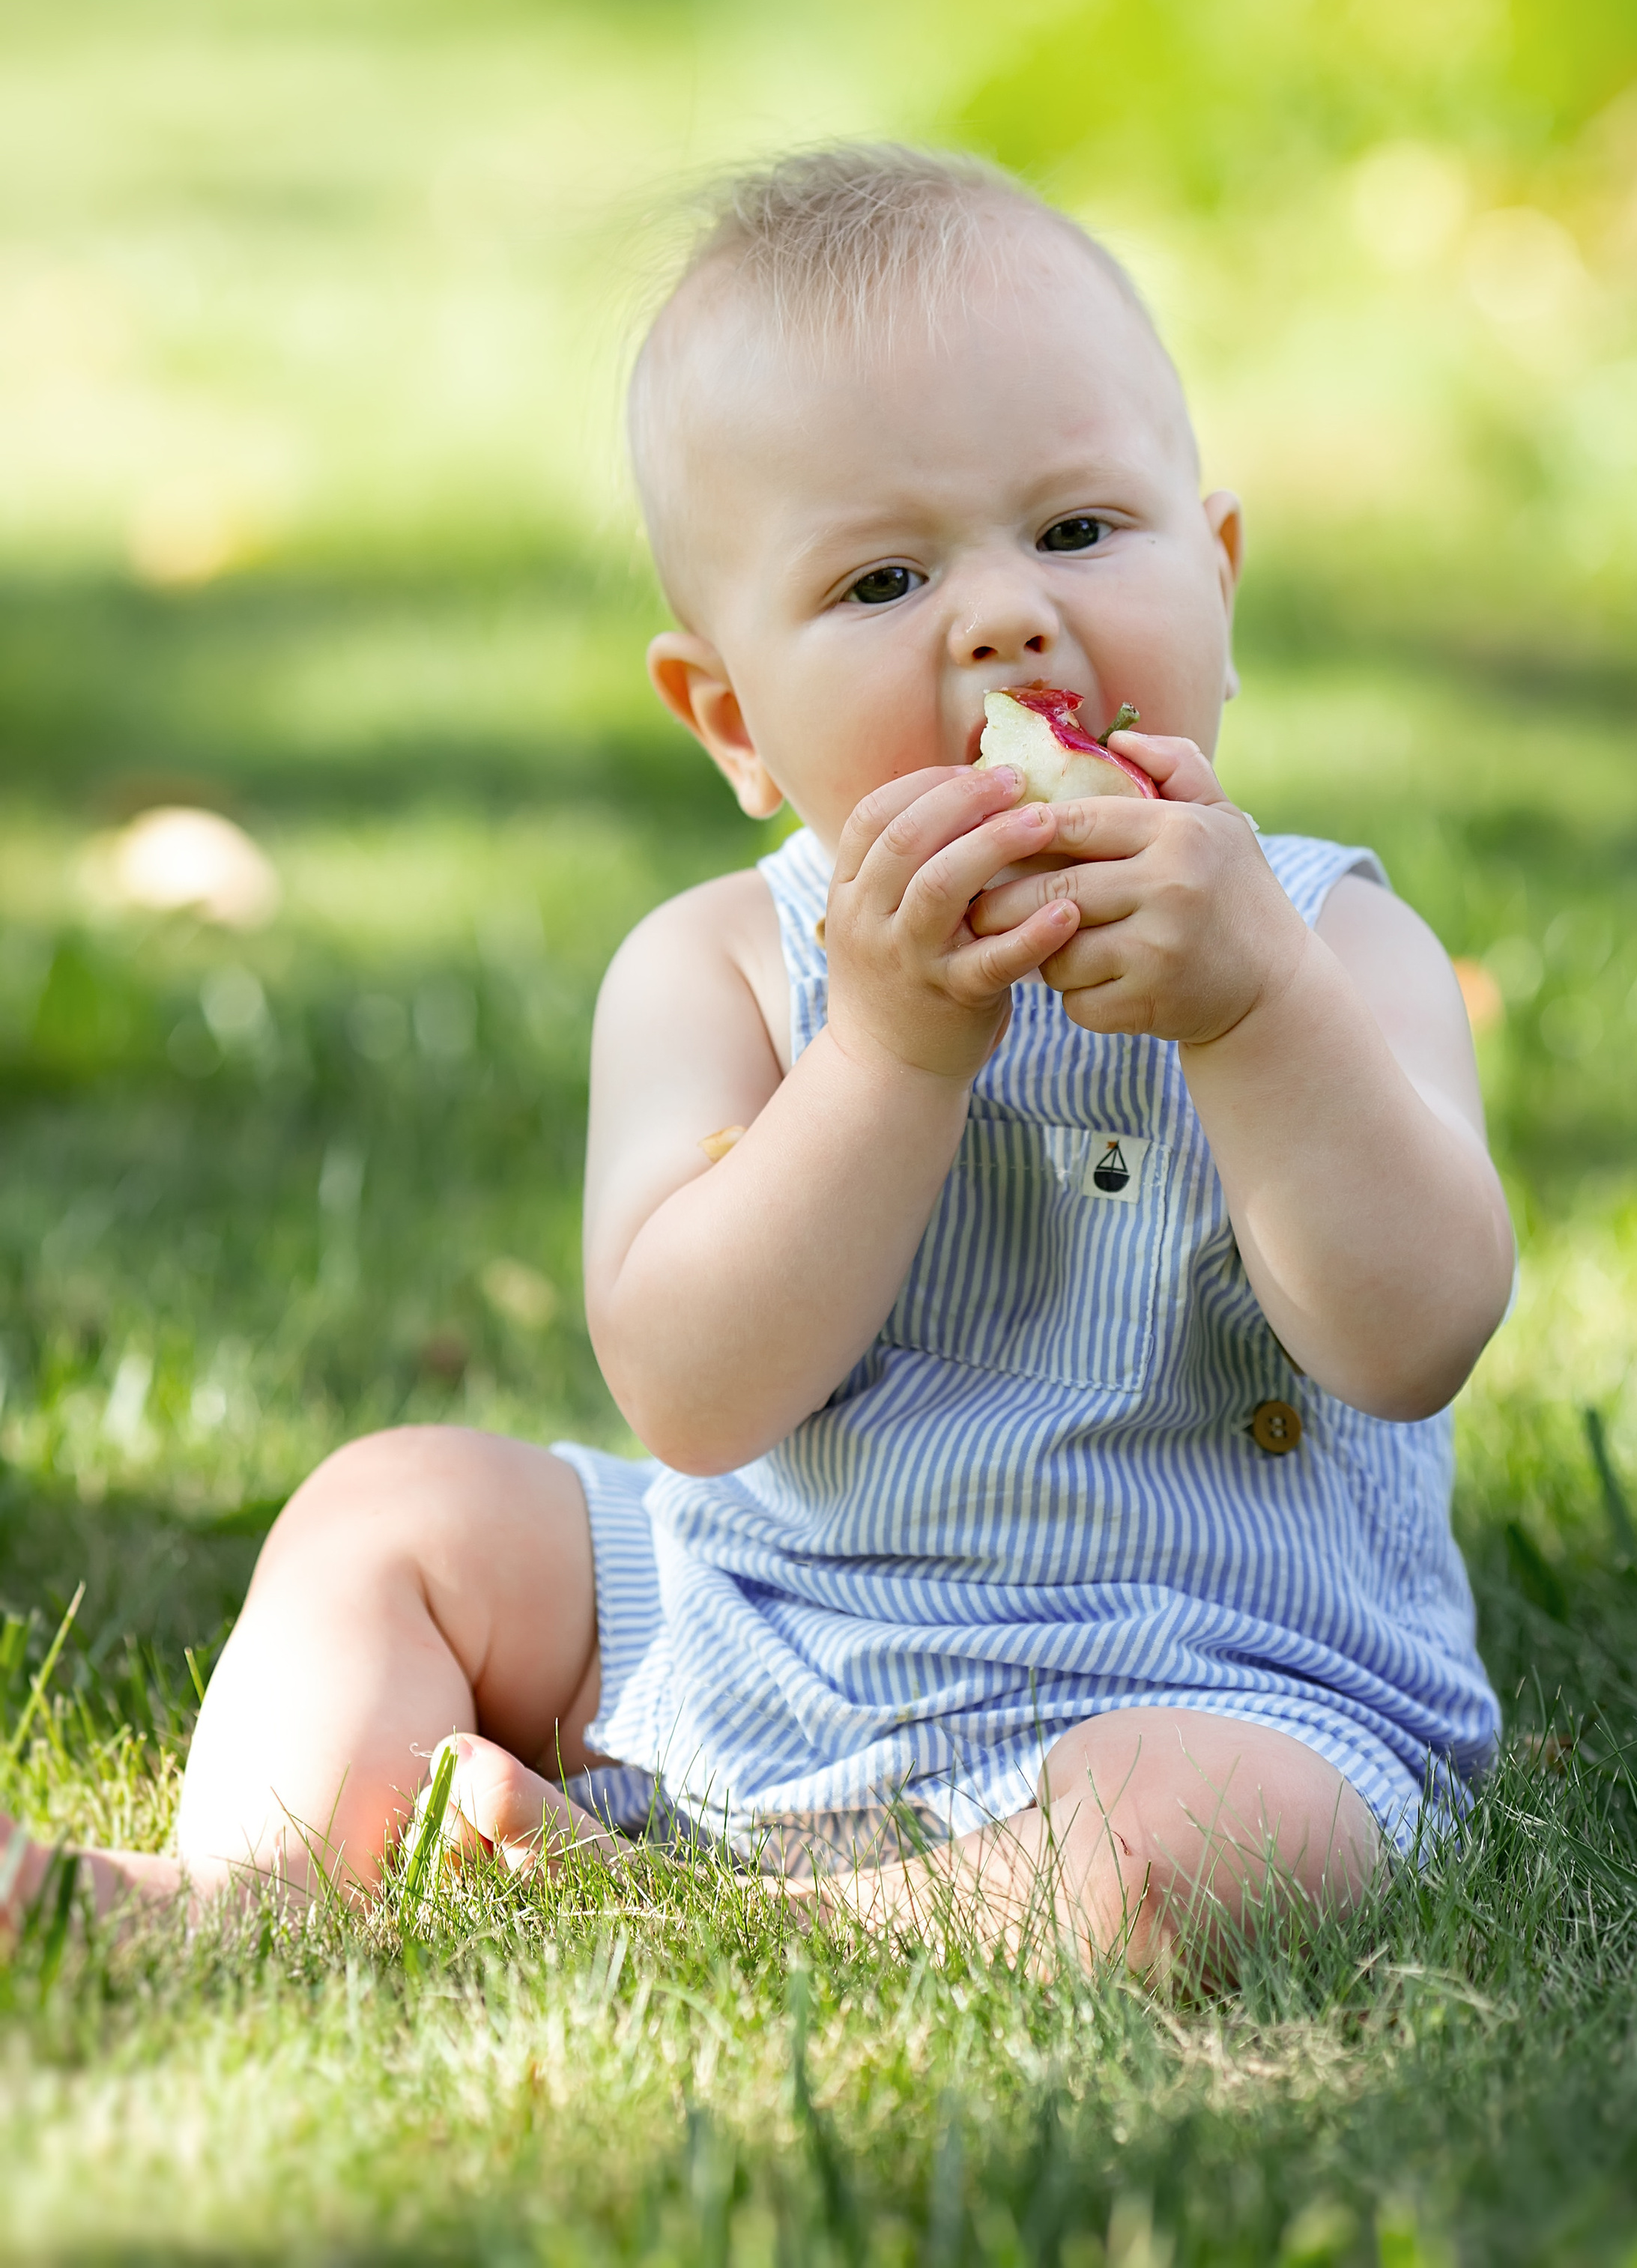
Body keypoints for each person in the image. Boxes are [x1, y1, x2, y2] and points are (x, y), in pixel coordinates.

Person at [0, 147, 1513, 1978]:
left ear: (1218, 575)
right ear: (730, 721)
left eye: (1073, 533)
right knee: (392, 1509)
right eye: (883, 578)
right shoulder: (713, 967)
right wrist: (884, 1054)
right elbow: (693, 1397)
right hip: (759, 1621)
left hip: (1202, 1678)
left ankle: (762, 1934)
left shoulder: (1326, 947)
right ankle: (236, 1893)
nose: (1001, 621)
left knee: (1223, 1830)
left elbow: (1413, 1335)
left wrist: (1252, 1016)